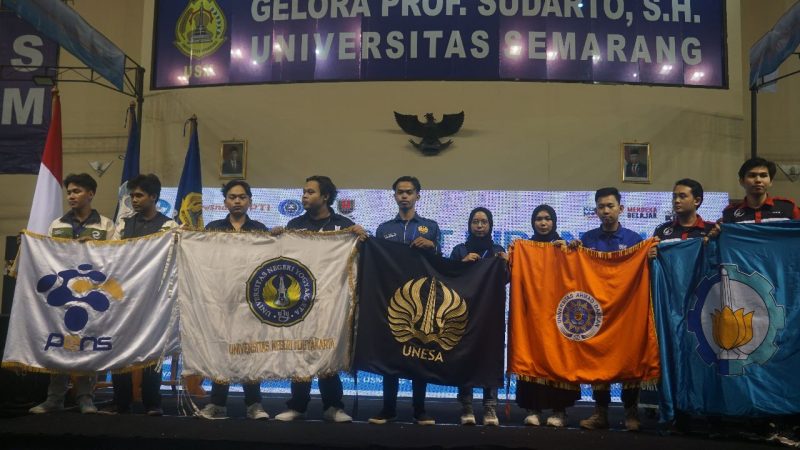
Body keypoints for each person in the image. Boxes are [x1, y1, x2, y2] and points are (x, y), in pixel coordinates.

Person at [273, 175, 363, 423]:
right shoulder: (295, 224)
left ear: (325, 196)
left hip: (331, 302)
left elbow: (358, 259)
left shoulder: (344, 225)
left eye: (310, 192)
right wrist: (275, 239)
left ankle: (333, 407)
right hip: (300, 301)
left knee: (328, 352)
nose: (304, 196)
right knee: (300, 353)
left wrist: (360, 237)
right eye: (304, 191)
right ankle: (297, 406)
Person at [28, 173, 115, 415]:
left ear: (91, 194)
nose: (71, 196)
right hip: (61, 296)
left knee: (88, 344)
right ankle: (54, 398)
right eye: (69, 192)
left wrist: (95, 248)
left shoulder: (106, 225)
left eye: (77, 191)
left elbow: (116, 258)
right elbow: (46, 256)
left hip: (92, 296)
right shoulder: (57, 225)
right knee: (59, 343)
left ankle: (86, 398)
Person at [571, 187, 643, 431]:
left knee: (630, 362)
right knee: (598, 361)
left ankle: (631, 414)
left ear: (620, 208)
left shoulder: (634, 240)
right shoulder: (587, 239)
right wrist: (571, 252)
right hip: (597, 313)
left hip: (626, 312)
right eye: (601, 207)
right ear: (596, 210)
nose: (605, 211)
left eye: (610, 206)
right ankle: (600, 414)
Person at [370, 176, 439, 426]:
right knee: (390, 354)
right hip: (391, 300)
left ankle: (420, 410)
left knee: (420, 353)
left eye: (409, 192)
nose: (404, 196)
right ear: (395, 196)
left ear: (418, 195)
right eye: (400, 192)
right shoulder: (383, 228)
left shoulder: (430, 227)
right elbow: (377, 262)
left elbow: (440, 263)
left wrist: (432, 246)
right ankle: (388, 408)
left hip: (420, 299)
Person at [198, 180, 269, 420]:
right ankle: (217, 404)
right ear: (225, 202)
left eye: (242, 197)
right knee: (221, 350)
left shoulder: (260, 229)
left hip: (251, 301)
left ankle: (254, 404)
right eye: (232, 197)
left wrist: (276, 238)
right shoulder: (213, 228)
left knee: (250, 351)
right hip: (220, 300)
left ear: (250, 201)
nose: (237, 201)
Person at [109, 174, 178, 415]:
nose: (134, 200)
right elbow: (111, 255)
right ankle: (121, 401)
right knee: (119, 347)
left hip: (154, 298)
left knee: (152, 348)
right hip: (124, 297)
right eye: (132, 196)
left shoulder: (170, 227)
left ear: (154, 197)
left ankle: (152, 402)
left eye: (139, 195)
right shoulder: (123, 225)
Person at [515, 204, 580, 428]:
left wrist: (573, 253)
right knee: (531, 357)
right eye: (539, 219)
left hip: (559, 315)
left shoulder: (565, 246)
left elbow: (577, 275)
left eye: (547, 218)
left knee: (559, 359)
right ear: (532, 222)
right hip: (533, 316)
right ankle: (533, 409)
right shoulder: (524, 248)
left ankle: (559, 411)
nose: (543, 223)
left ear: (554, 221)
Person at [450, 207, 507, 426]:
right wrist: (462, 264)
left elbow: (507, 279)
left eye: (484, 222)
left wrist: (507, 264)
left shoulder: (498, 250)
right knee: (465, 357)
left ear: (490, 225)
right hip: (464, 314)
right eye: (475, 222)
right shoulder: (459, 250)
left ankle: (490, 407)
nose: (480, 226)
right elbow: (448, 278)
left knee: (491, 358)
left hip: (491, 314)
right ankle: (466, 406)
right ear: (469, 225)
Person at [648, 179, 714, 259]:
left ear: (697, 201)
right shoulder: (661, 230)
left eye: (682, 196)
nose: (676, 201)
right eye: (674, 196)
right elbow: (655, 261)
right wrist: (649, 257)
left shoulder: (712, 230)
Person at [720, 157, 799, 224]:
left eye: (763, 175)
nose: (758, 180)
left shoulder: (788, 208)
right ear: (742, 181)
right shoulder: (730, 212)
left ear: (771, 181)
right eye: (752, 175)